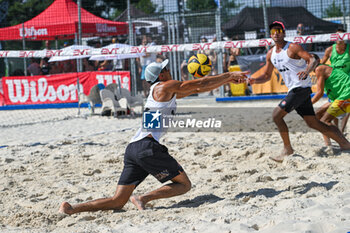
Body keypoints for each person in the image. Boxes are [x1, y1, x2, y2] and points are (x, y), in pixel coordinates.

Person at [59, 59, 248, 215]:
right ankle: (143, 198)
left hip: (133, 147)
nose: (169, 70)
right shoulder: (164, 87)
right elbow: (199, 85)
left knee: (117, 201)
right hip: (147, 147)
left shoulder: (162, 92)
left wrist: (226, 81)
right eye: (166, 68)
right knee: (184, 185)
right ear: (161, 75)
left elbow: (197, 88)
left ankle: (72, 208)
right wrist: (229, 75)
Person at [248, 21, 350, 162]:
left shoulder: (293, 47)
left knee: (276, 116)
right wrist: (252, 80)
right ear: (270, 35)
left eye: (278, 30)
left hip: (300, 89)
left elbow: (312, 59)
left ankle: (287, 149)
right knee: (314, 123)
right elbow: (266, 76)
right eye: (273, 32)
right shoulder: (271, 54)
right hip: (296, 89)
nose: (276, 33)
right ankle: (344, 143)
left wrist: (307, 71)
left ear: (283, 32)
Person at [316, 27, 350, 138]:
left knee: (346, 108)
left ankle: (341, 130)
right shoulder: (330, 50)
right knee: (333, 110)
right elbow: (321, 64)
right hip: (334, 83)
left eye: (341, 36)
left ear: (345, 37)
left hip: (346, 82)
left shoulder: (349, 49)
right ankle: (336, 131)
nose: (339, 38)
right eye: (337, 36)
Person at [311, 53, 350, 147]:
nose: (308, 62)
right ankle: (328, 144)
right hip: (340, 97)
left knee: (324, 121)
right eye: (306, 61)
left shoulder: (319, 68)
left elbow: (319, 93)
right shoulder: (322, 69)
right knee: (318, 114)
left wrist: (307, 104)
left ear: (317, 61)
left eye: (310, 60)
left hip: (346, 95)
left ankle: (345, 143)